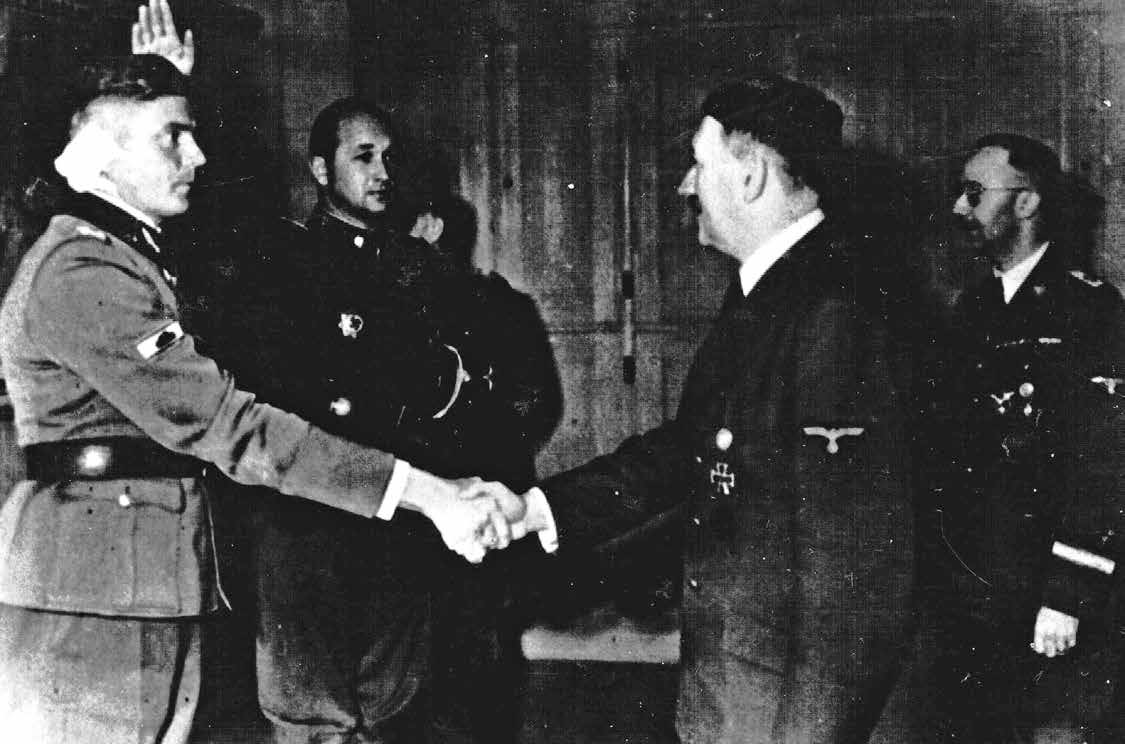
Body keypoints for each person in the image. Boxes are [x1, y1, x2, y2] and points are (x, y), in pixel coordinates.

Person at [0, 50, 520, 744]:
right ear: (101, 150)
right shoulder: (84, 270)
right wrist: (429, 495)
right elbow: (231, 424)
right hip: (96, 589)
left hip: (138, 576)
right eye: (172, 137)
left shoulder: (127, 257)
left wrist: (163, 81)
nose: (197, 155)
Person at [489, 75, 917, 743]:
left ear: (749, 177)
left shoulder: (834, 309)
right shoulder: (771, 292)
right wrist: (539, 509)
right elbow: (690, 449)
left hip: (783, 712)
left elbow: (853, 573)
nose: (685, 186)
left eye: (698, 163)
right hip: (739, 689)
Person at [901, 133, 1125, 743]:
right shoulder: (971, 310)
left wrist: (1069, 594)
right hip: (975, 593)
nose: (959, 208)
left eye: (974, 193)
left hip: (1051, 603)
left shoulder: (1090, 311)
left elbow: (1106, 463)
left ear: (1026, 202)